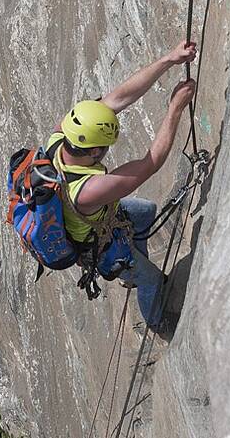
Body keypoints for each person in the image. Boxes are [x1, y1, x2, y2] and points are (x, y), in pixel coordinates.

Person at [48, 41, 197, 334]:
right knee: (152, 279)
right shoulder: (88, 189)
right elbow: (149, 165)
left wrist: (169, 58)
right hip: (98, 242)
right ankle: (156, 320)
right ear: (92, 152)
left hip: (100, 217)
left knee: (145, 211)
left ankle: (135, 266)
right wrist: (175, 110)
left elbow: (120, 97)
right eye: (103, 148)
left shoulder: (62, 135)